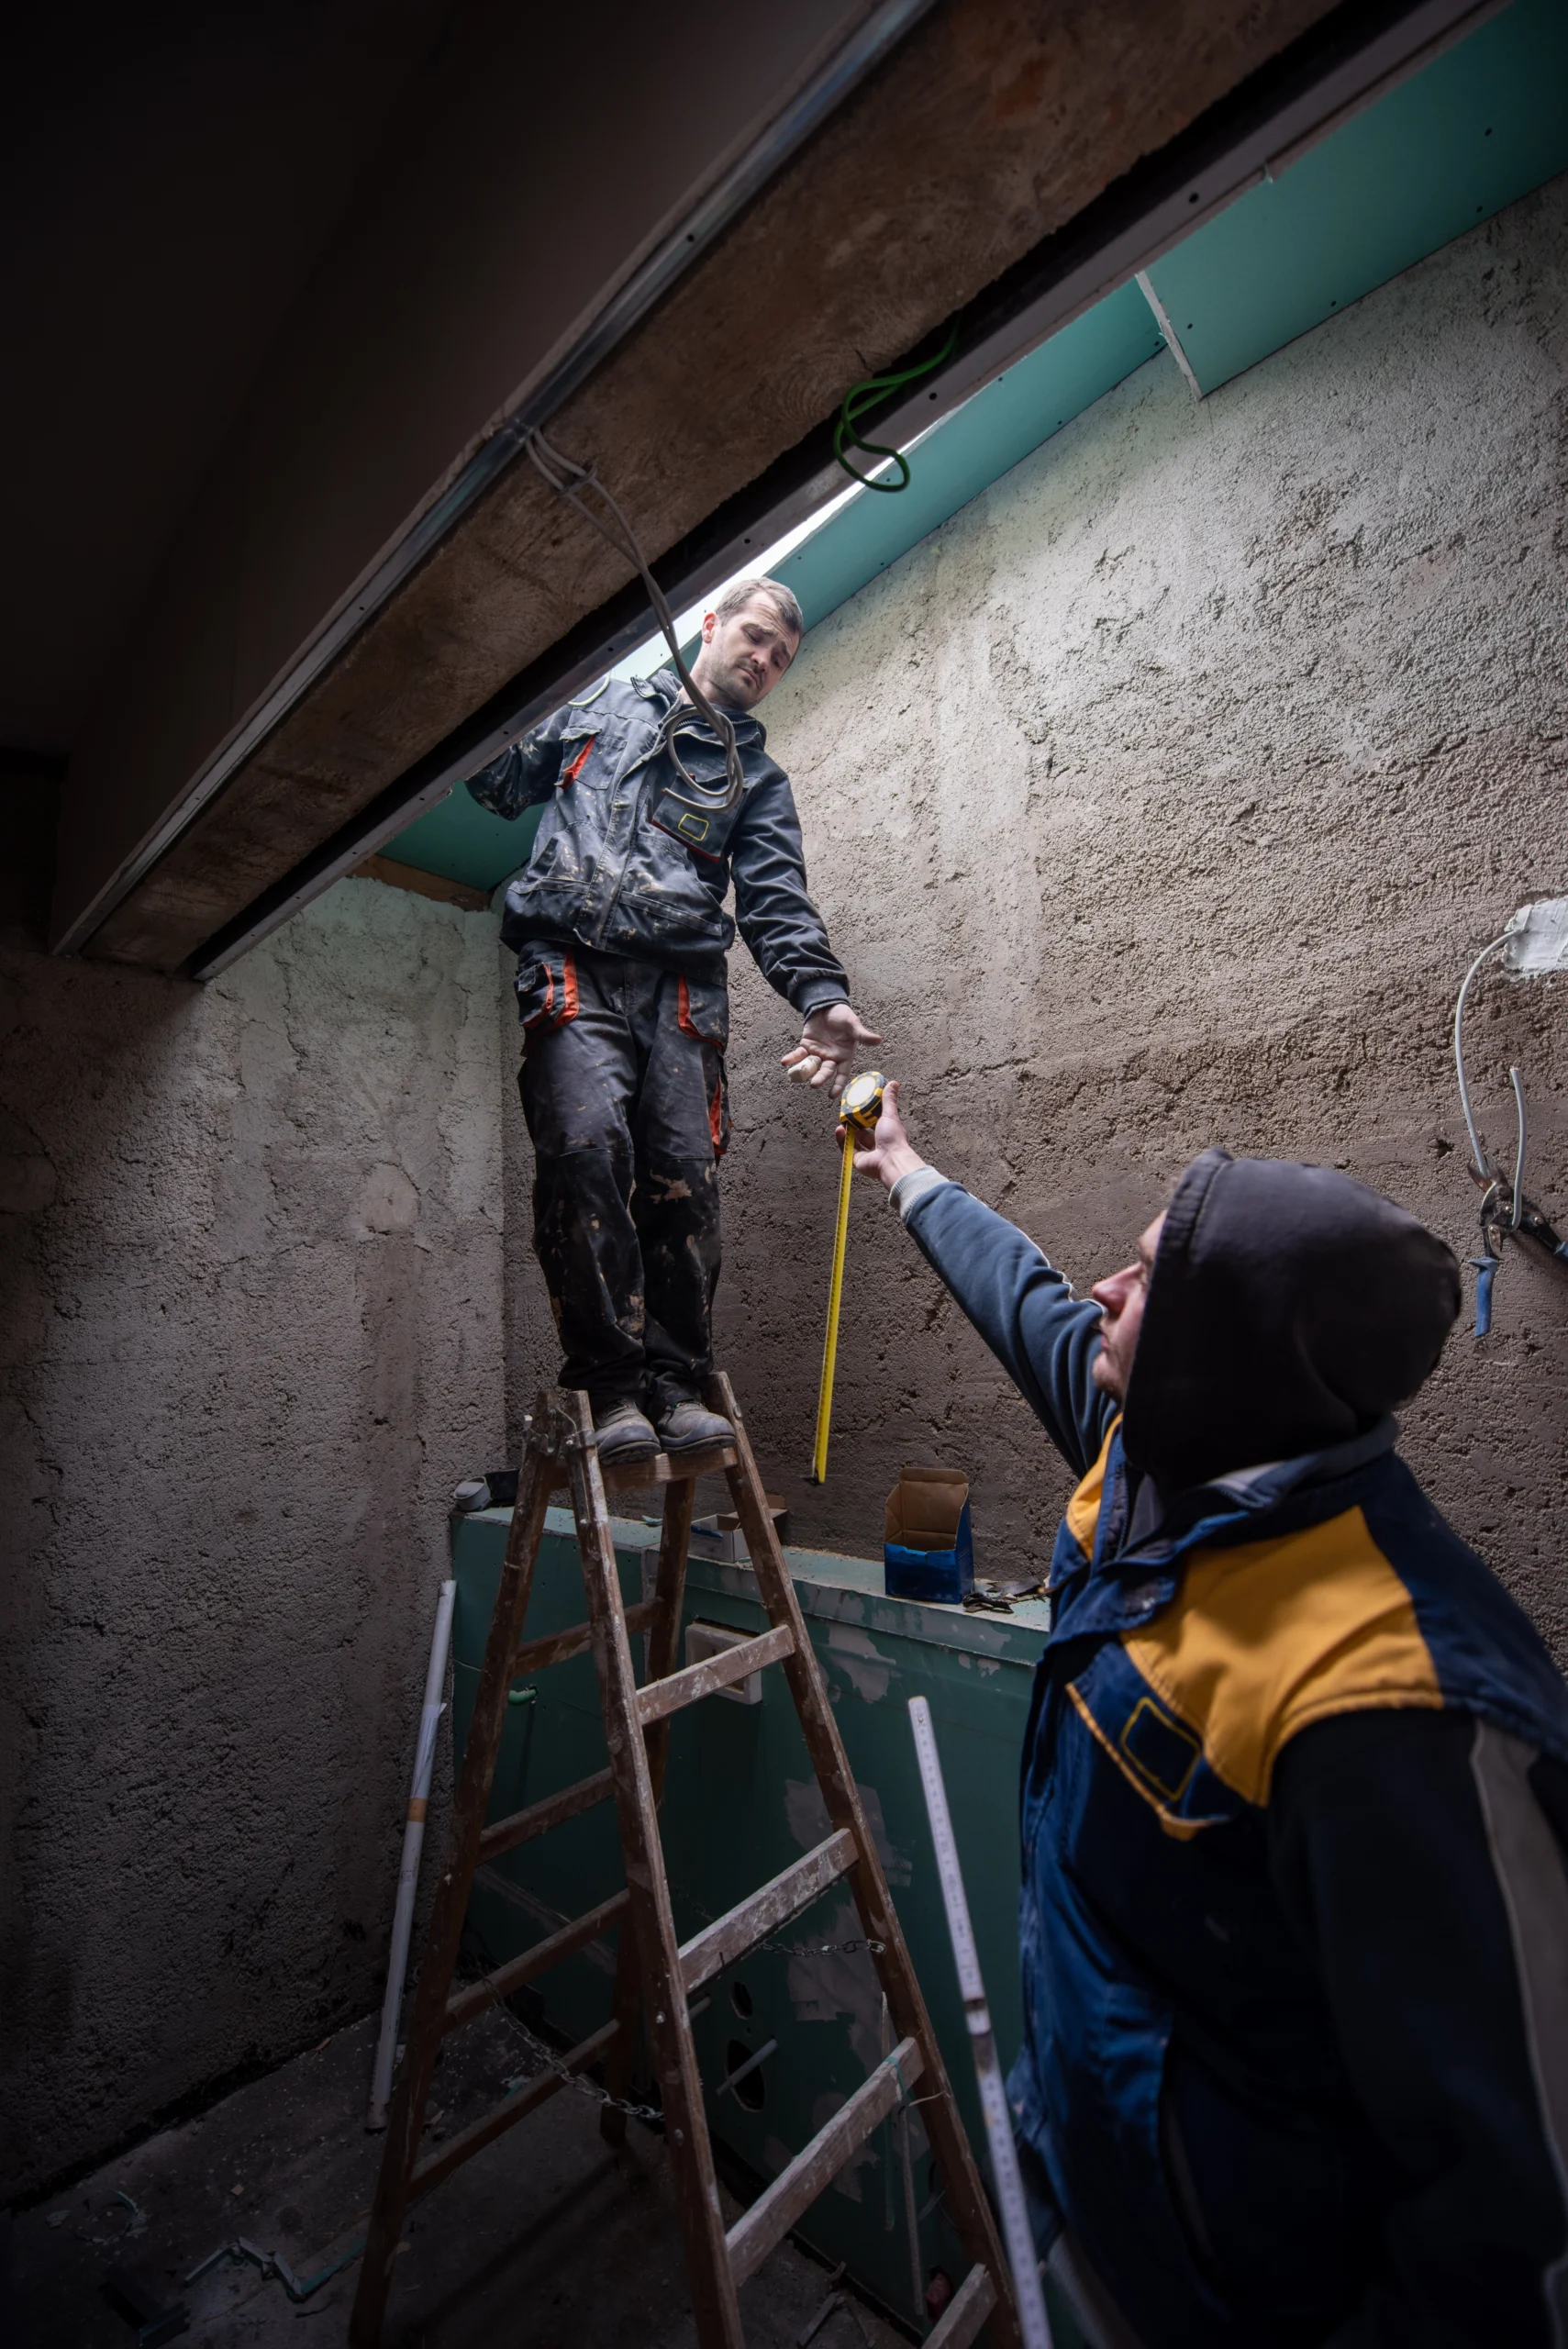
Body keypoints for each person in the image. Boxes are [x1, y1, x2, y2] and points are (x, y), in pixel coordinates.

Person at [850, 1083, 1568, 2349]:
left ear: (1223, 1347)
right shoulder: (1161, 1456)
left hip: (1231, 2304)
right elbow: (1021, 1298)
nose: (1100, 1295)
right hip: (1093, 2199)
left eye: (1141, 1277)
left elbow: (1511, 2220)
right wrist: (902, 1164)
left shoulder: (1400, 1703)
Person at [468, 577, 877, 1467]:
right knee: (584, 1154)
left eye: (780, 655)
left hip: (681, 994)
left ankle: (678, 1383)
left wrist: (822, 996)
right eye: (756, 636)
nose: (764, 660)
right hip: (569, 967)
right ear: (710, 623)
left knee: (683, 1182)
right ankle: (611, 1386)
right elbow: (495, 781)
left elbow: (776, 905)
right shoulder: (597, 707)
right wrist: (480, 664)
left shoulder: (755, 780)